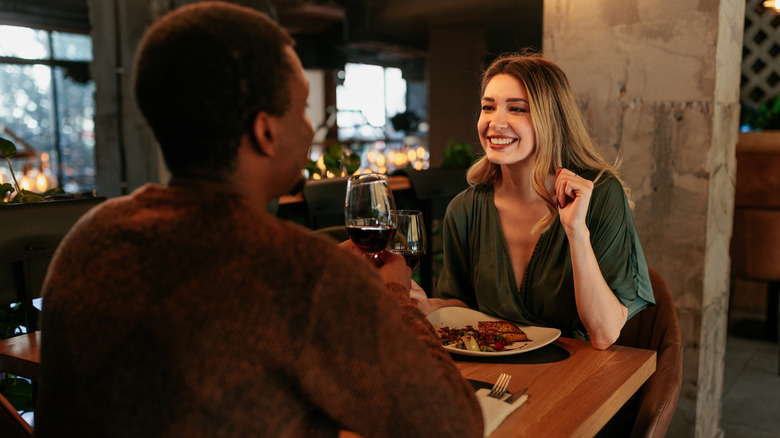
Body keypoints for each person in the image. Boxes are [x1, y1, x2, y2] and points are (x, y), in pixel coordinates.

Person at [34, 3, 482, 437]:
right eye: (303, 108)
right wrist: (391, 294)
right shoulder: (300, 272)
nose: (310, 130)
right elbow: (452, 424)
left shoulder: (89, 238)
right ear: (265, 132)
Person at [413, 51, 654, 350]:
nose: (495, 122)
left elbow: (604, 334)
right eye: (488, 107)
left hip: (579, 375)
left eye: (516, 109)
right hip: (497, 374)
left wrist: (576, 230)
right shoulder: (464, 209)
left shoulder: (600, 193)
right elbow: (462, 306)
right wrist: (424, 306)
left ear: (551, 119)